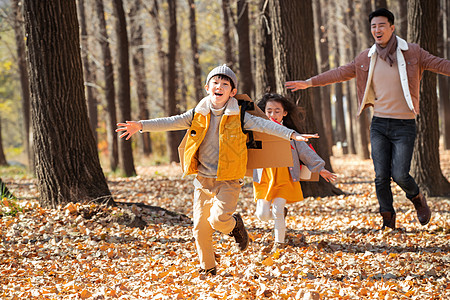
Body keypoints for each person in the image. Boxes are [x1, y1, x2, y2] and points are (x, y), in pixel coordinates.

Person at [116, 64, 318, 275]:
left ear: (232, 92)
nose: (219, 87)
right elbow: (172, 121)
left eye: (225, 84)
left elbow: (267, 126)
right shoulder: (198, 114)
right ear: (207, 87)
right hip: (203, 180)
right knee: (200, 229)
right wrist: (141, 125)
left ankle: (235, 226)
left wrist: (292, 135)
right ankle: (208, 268)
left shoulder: (240, 116)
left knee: (218, 219)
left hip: (228, 180)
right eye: (215, 83)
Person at [285, 8, 450, 230]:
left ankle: (418, 198)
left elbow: (439, 64)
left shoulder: (412, 53)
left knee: (400, 174)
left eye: (381, 25)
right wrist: (309, 82)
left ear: (392, 27)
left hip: (405, 125)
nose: (377, 30)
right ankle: (388, 221)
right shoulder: (366, 57)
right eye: (373, 26)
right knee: (381, 176)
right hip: (379, 124)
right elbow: (340, 72)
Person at [253, 93, 336, 250]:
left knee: (277, 209)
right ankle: (279, 216)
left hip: (285, 177)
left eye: (277, 111)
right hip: (264, 177)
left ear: (284, 113)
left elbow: (306, 152)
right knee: (262, 215)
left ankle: (279, 243)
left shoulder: (291, 134)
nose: (273, 114)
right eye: (269, 110)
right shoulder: (258, 132)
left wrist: (321, 169)